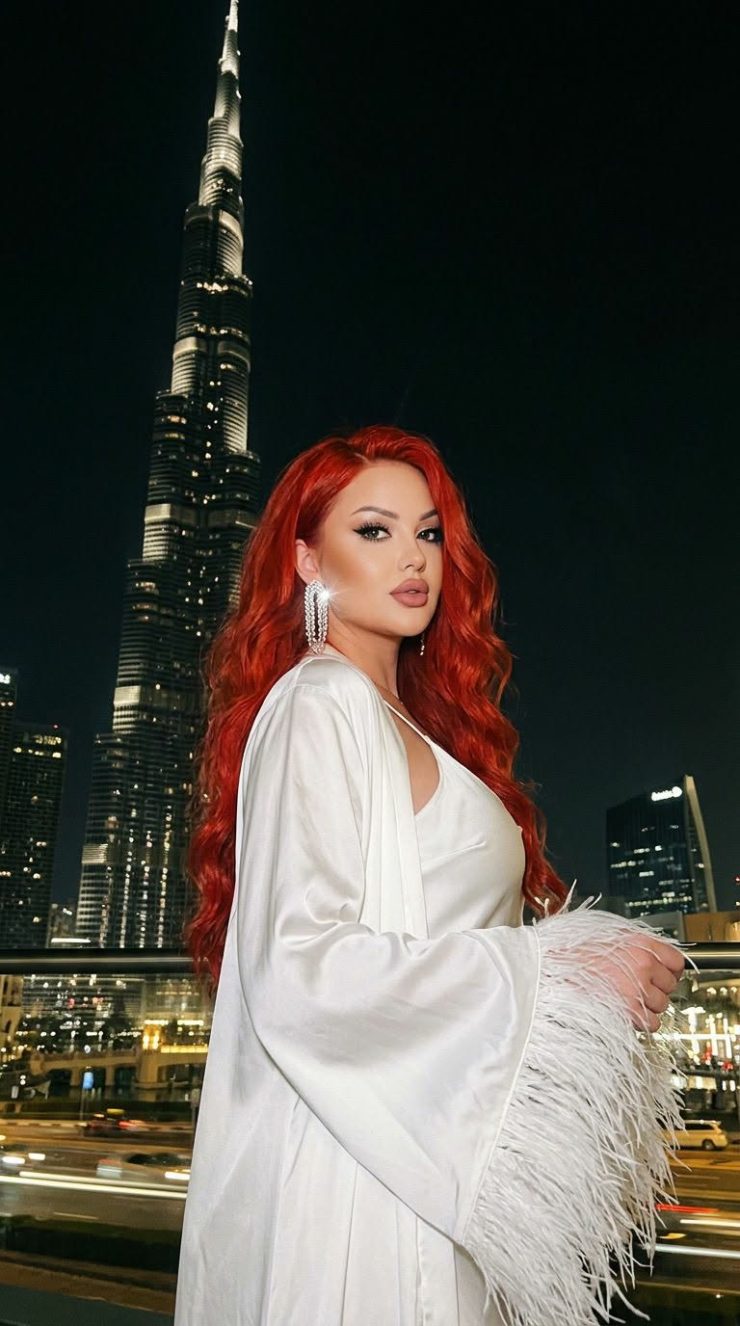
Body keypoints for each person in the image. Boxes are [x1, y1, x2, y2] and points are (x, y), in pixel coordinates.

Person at [174, 425, 687, 1326]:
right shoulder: (322, 703)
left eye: (429, 533)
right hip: (362, 1191)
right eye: (374, 530)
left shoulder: (393, 717)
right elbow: (300, 967)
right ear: (306, 559)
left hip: (411, 1166)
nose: (413, 557)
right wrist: (561, 970)